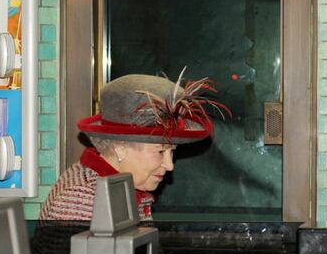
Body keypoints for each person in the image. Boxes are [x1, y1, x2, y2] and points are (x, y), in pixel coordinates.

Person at [40, 71, 227, 221]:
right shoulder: (83, 200)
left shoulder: (120, 188)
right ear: (120, 147)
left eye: (172, 152)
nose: (169, 166)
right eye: (160, 151)